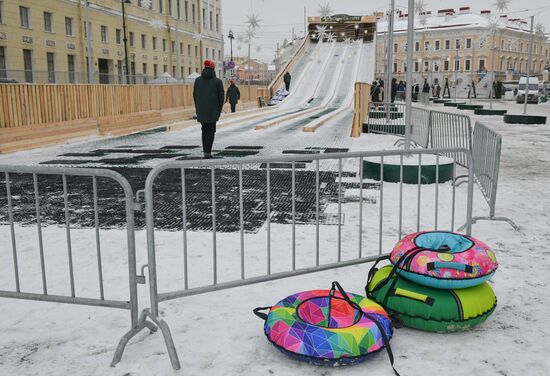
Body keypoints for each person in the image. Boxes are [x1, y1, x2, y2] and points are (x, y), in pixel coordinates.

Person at [193, 59, 224, 159]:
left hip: (202, 111)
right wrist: (218, 111)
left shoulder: (197, 81)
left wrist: (199, 108)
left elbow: (195, 96)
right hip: (213, 111)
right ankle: (208, 153)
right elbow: (221, 97)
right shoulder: (217, 82)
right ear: (213, 69)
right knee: (211, 131)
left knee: (204, 131)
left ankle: (205, 152)